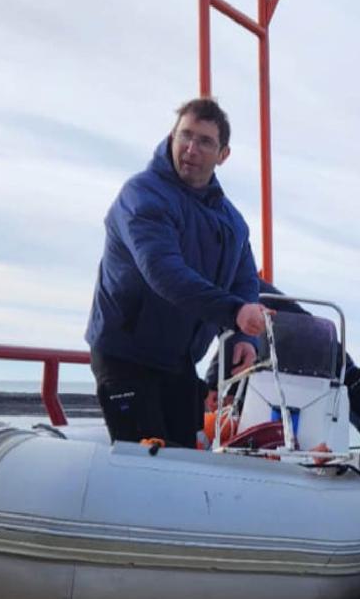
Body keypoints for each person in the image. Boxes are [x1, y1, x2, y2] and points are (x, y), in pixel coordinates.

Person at [85, 98, 267, 447]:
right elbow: (163, 272)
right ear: (172, 138)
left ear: (223, 155)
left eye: (205, 141)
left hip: (177, 361)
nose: (191, 148)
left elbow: (245, 280)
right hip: (126, 354)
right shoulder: (142, 195)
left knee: (185, 459)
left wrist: (244, 338)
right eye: (185, 135)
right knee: (148, 464)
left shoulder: (231, 220)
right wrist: (235, 313)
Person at [205, 280, 360, 469]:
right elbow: (235, 336)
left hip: (320, 356)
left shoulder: (235, 284)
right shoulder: (227, 292)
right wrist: (216, 384)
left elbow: (239, 329)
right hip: (273, 367)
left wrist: (213, 383)